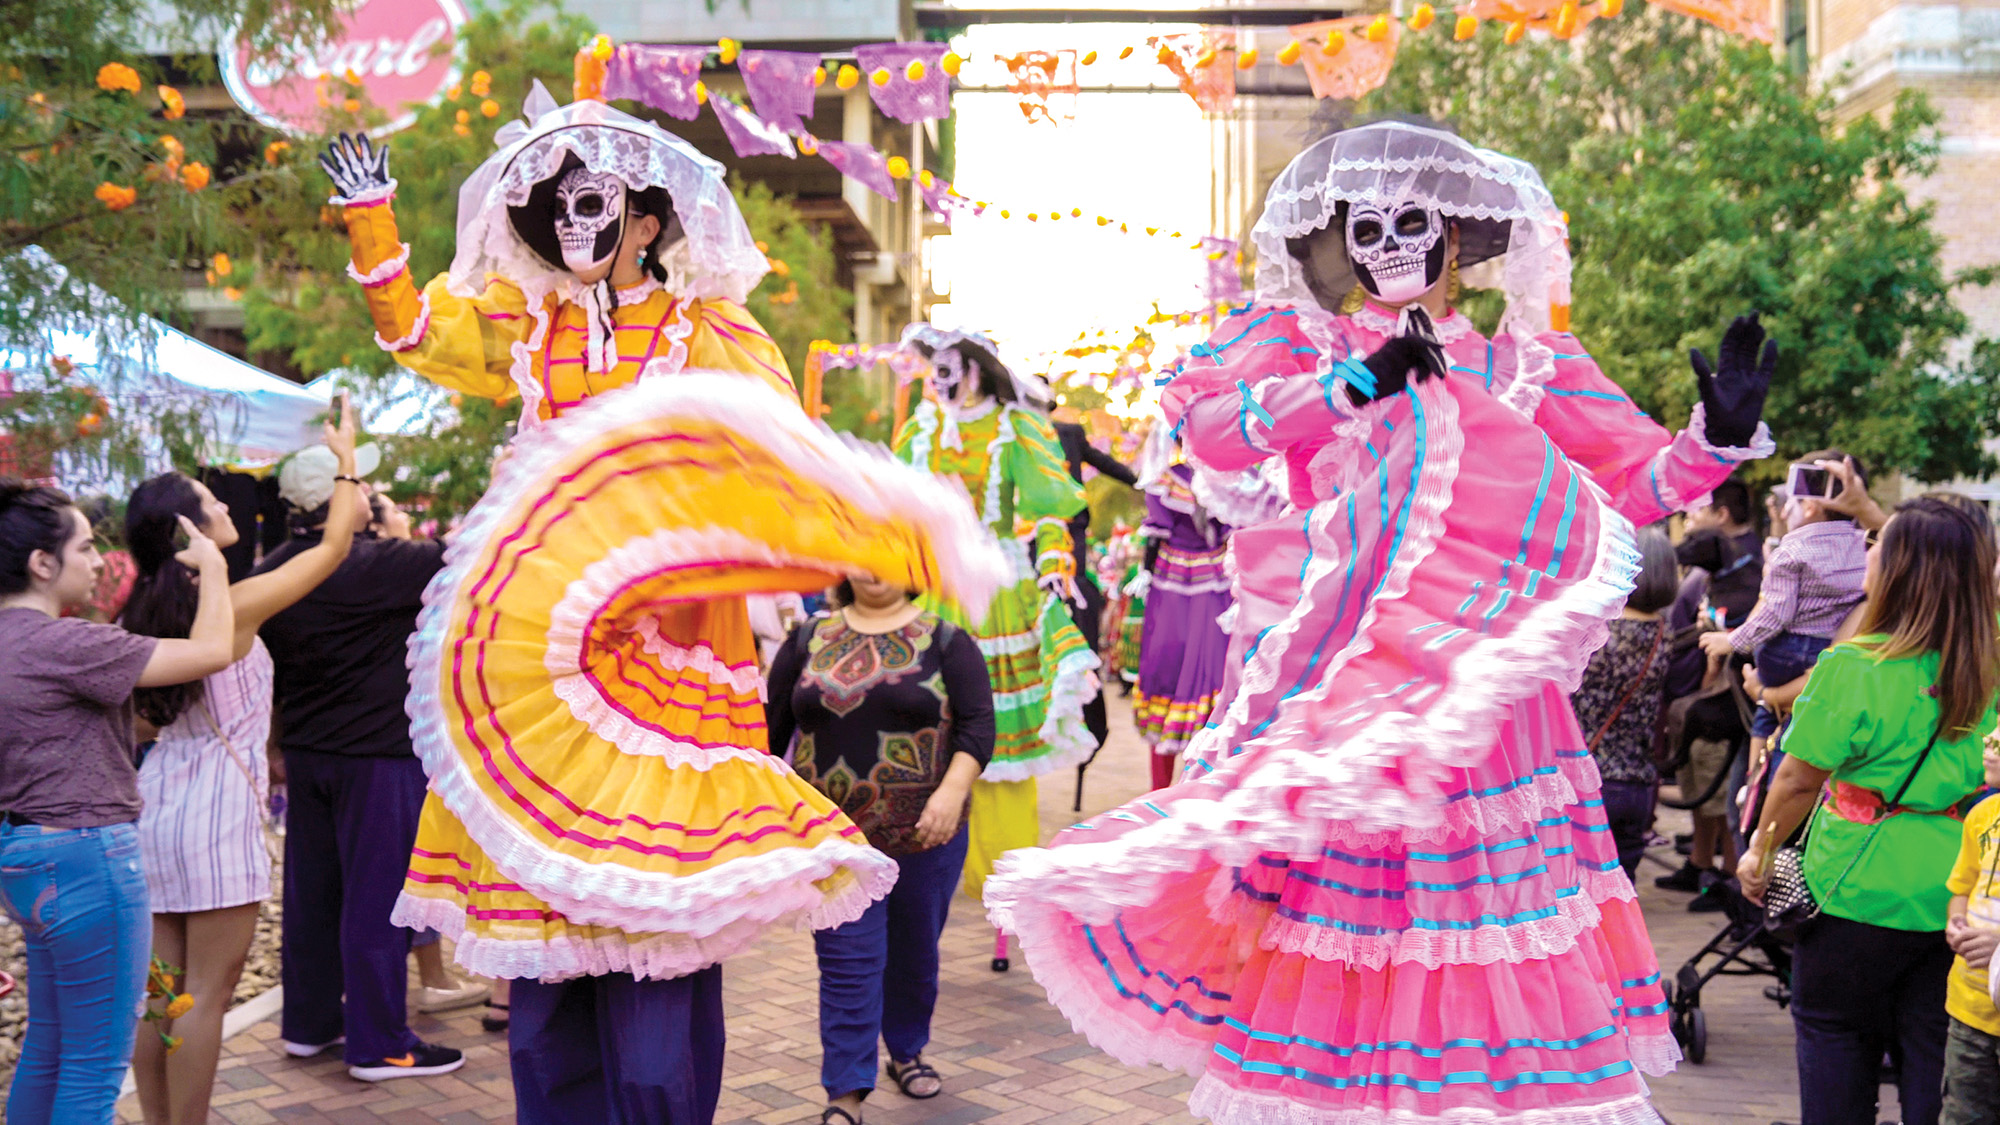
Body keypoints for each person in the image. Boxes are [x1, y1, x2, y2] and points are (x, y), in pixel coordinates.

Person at [983, 118, 1776, 1123]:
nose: (1390, 241)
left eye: (1412, 222)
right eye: (1367, 224)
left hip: (1484, 706)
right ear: (1339, 242)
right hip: (1348, 684)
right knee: (1345, 929)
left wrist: (1719, 434)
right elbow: (1214, 432)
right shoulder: (1301, 345)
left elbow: (1632, 484)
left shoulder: (1518, 363)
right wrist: (1346, 386)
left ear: (1451, 239)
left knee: (1476, 930)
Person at [323, 87, 1006, 1123]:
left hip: (671, 646)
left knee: (656, 982)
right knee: (548, 996)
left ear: (646, 220)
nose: (573, 227)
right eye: (554, 210)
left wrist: (894, 527)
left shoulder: (709, 332)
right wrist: (371, 220)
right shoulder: (527, 323)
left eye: (594, 205)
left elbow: (781, 459)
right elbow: (414, 328)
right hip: (543, 656)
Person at [122, 405, 366, 1125]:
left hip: (157, 798)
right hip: (219, 808)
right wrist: (345, 462)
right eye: (209, 503)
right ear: (189, 530)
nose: (226, 503)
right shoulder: (231, 603)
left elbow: (140, 716)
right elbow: (331, 549)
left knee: (162, 991)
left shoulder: (137, 610)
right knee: (207, 990)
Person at [1739, 497, 1999, 1125]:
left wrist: (1761, 851)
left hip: (1850, 887)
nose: (1869, 551)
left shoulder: (1852, 668)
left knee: (1834, 1041)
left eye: (1880, 543)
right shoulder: (1987, 668)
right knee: (1933, 1064)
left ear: (1904, 569)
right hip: (1955, 898)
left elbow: (1798, 780)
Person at [0, 479, 236, 1124]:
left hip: (24, 854)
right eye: (84, 547)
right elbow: (211, 652)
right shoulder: (65, 645)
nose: (99, 559)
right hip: (88, 858)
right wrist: (213, 569)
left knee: (48, 1048)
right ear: (41, 564)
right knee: (93, 1070)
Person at [893, 324, 1098, 972]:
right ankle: (923, 885)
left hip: (997, 593)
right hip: (931, 591)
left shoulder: (1014, 429)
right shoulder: (920, 430)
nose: (941, 379)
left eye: (950, 367)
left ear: (976, 367)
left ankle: (1007, 901)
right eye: (935, 368)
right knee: (924, 744)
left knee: (1000, 748)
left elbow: (1046, 510)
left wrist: (1055, 561)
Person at [256, 439, 460, 1082]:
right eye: (361, 487)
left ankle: (311, 1026)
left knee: (313, 896)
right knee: (377, 902)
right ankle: (380, 1044)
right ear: (340, 500)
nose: (372, 496)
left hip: (308, 754)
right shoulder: (377, 564)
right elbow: (473, 552)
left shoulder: (279, 568)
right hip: (375, 759)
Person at [765, 575, 995, 1125]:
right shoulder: (806, 639)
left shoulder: (946, 641)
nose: (873, 569)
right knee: (847, 962)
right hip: (833, 841)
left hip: (926, 836)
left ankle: (908, 1048)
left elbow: (977, 726)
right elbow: (771, 733)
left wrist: (952, 791)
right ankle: (845, 1093)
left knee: (915, 955)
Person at [1570, 525, 1678, 881]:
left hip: (1587, 778)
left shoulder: (1592, 635)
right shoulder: (1670, 639)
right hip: (1638, 784)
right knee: (1619, 892)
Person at [1132, 461, 1238, 790]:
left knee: (1166, 669)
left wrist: (1145, 572)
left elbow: (1155, 534)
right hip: (1214, 580)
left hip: (1172, 583)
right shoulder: (1230, 476)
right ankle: (1199, 786)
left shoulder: (1168, 477)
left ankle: (1162, 789)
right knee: (1211, 673)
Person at [1942, 737, 2000, 1125]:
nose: (1989, 739)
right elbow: (1961, 889)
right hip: (1969, 1010)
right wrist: (1956, 921)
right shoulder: (1983, 815)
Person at [1676, 478, 1764, 627]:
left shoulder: (1714, 565)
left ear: (1721, 515)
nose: (1689, 514)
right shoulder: (1757, 555)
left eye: (1698, 508)